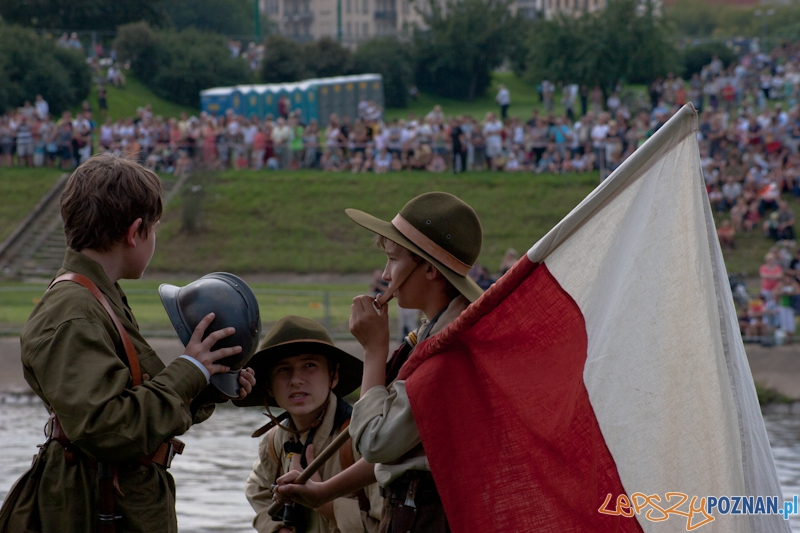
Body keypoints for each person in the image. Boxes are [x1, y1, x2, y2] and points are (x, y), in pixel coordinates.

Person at [14, 154, 256, 532]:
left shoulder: (97, 297)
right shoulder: (74, 311)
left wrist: (207, 381)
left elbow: (139, 404)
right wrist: (188, 370)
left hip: (116, 501)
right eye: (154, 229)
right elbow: (106, 427)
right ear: (135, 232)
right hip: (92, 508)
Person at [275, 192, 484, 533]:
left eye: (393, 259)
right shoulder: (435, 331)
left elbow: (374, 441)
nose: (386, 274)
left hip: (429, 518)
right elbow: (400, 449)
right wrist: (321, 492)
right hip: (415, 511)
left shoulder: (447, 348)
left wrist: (374, 350)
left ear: (429, 268)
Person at [241, 316, 382, 532]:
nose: (296, 379)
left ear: (333, 376)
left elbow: (387, 524)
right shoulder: (275, 442)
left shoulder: (362, 440)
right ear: (269, 387)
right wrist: (275, 528)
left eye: (309, 365)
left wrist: (323, 502)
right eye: (283, 369)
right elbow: (255, 489)